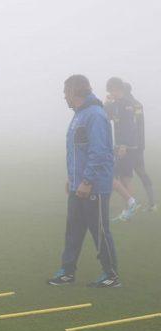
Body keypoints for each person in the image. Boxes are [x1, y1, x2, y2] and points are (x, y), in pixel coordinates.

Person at [47, 75, 120, 288]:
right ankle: (67, 272)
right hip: (77, 186)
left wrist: (87, 181)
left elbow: (99, 152)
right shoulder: (79, 115)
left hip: (94, 185)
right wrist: (72, 178)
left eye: (65, 92)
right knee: (73, 230)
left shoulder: (95, 115)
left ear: (74, 92)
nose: (63, 97)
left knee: (99, 231)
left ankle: (111, 275)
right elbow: (77, 152)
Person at [104, 77, 141, 221]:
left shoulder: (127, 104)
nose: (110, 92)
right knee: (121, 179)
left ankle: (129, 209)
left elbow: (129, 126)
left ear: (117, 89)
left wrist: (124, 145)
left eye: (111, 90)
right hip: (118, 145)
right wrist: (106, 102)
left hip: (127, 147)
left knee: (124, 179)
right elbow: (104, 114)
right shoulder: (115, 104)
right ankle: (127, 210)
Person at [124, 82, 156, 212]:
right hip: (134, 146)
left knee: (127, 175)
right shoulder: (133, 104)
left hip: (132, 146)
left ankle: (131, 208)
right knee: (137, 174)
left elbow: (137, 125)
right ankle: (151, 203)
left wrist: (134, 145)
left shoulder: (133, 105)